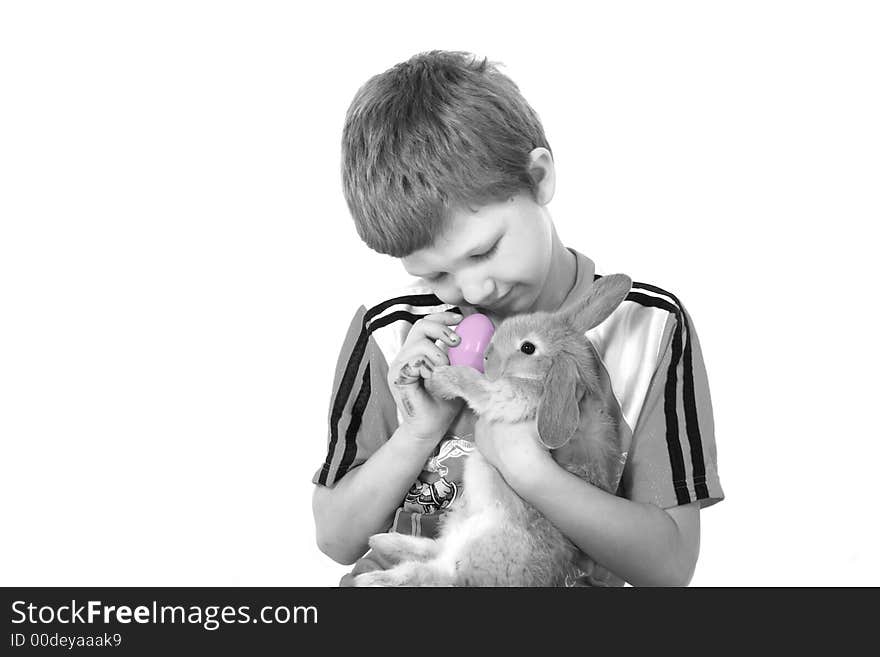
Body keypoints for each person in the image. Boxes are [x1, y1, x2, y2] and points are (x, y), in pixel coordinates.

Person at [312, 50, 723, 587]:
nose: (473, 290)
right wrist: (419, 431)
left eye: (485, 251)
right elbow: (336, 539)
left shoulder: (646, 329)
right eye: (435, 275)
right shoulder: (392, 333)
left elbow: (669, 567)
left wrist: (531, 471)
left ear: (539, 176)